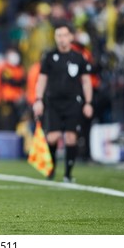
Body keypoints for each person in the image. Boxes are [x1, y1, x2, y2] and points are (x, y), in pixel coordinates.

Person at [33, 22, 93, 182]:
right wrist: (38, 100)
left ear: (71, 37)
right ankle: (51, 168)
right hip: (53, 102)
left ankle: (68, 174)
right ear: (55, 37)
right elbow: (41, 80)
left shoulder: (79, 57)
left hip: (74, 102)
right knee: (52, 137)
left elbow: (86, 81)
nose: (62, 39)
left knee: (71, 138)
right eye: (59, 35)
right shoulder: (49, 56)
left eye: (65, 35)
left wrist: (88, 102)